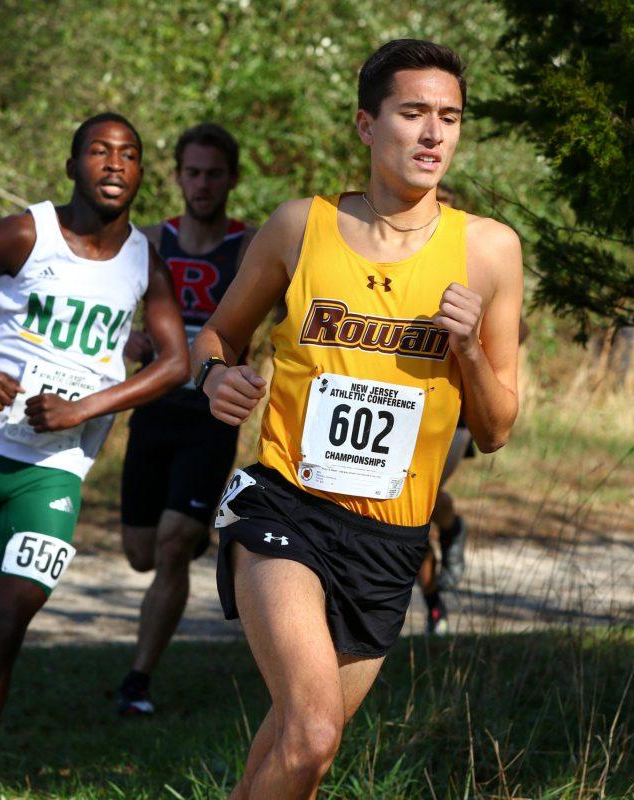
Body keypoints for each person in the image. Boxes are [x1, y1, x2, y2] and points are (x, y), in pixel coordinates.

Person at [193, 39, 523, 798]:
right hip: (284, 504)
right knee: (311, 732)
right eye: (413, 113)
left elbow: (499, 427)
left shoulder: (488, 250)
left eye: (450, 117)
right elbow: (217, 335)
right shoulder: (296, 227)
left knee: (295, 751)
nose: (435, 134)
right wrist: (216, 377)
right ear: (367, 125)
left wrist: (469, 349)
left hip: (390, 535)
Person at [0, 113, 187, 799]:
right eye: (98, 151)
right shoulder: (27, 233)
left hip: (53, 475)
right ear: (72, 166)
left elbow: (174, 364)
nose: (115, 164)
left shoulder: (146, 261)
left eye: (130, 155)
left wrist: (84, 409)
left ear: (142, 173)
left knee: (1, 633)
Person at [115, 122, 257, 715]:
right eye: (192, 173)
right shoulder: (148, 241)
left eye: (213, 174)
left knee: (171, 549)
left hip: (210, 415)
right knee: (141, 553)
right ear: (176, 177)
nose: (202, 184)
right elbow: (113, 318)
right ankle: (192, 529)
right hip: (152, 410)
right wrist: (129, 342)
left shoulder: (250, 247)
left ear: (231, 179)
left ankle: (137, 683)